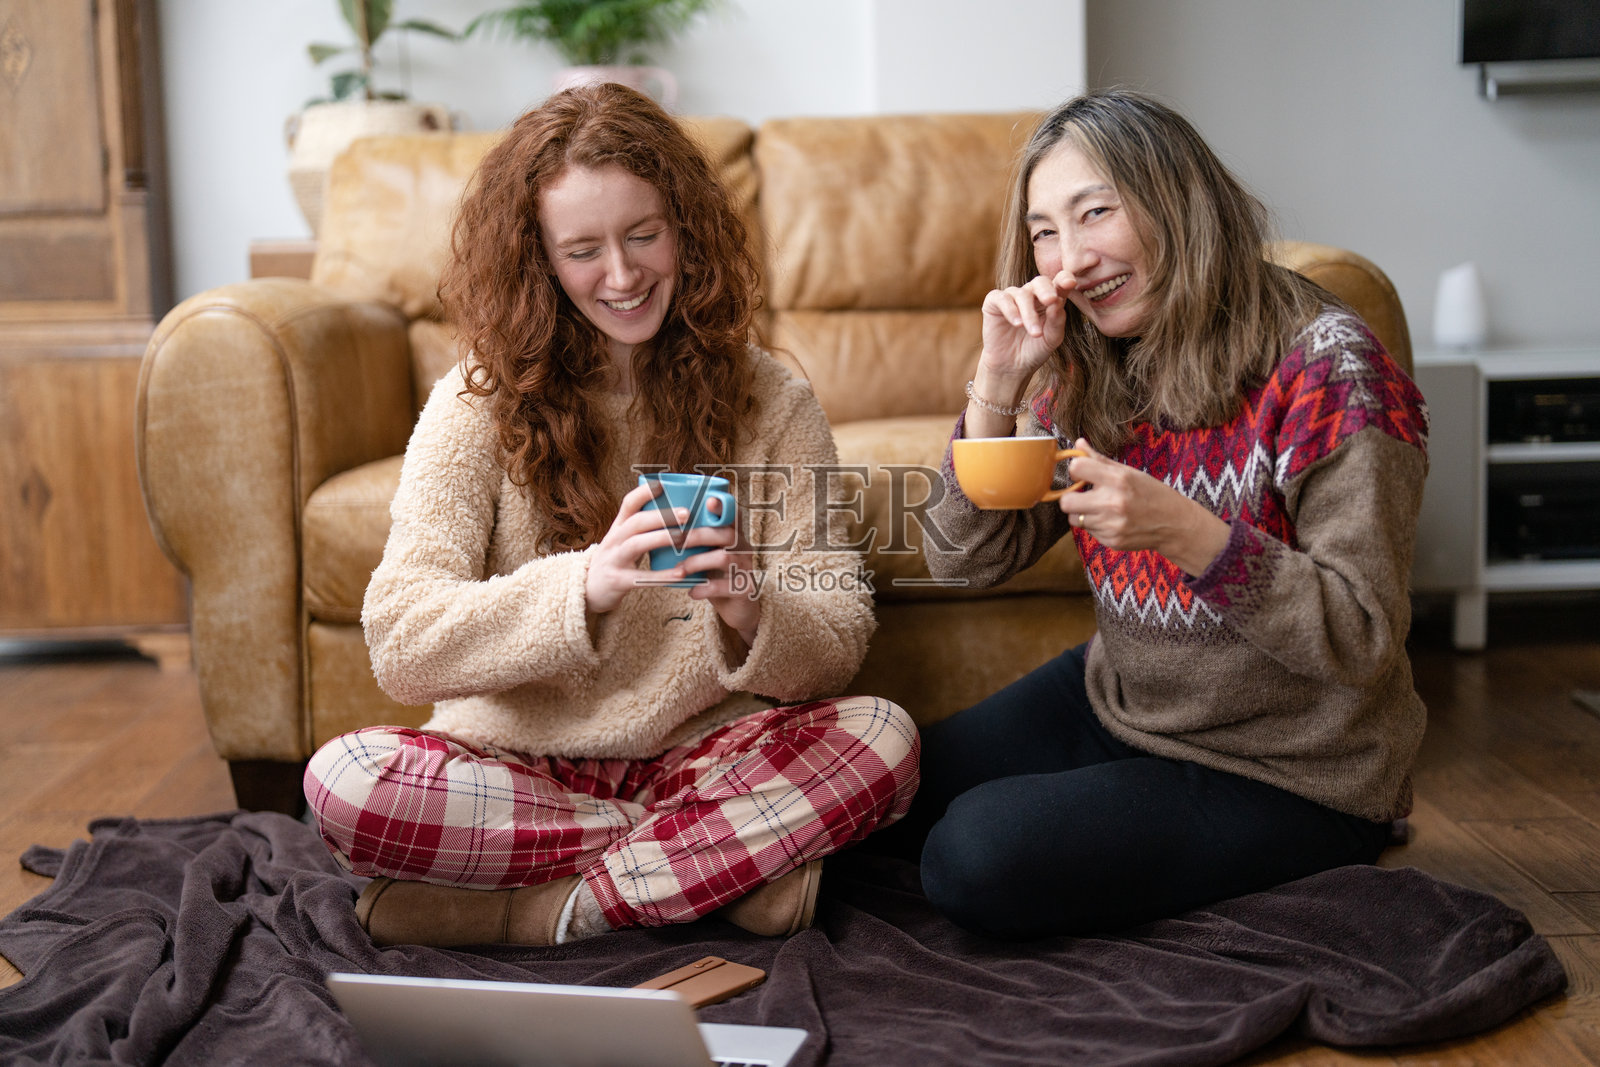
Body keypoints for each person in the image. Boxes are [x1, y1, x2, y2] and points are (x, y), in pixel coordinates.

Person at [302, 84, 918, 948]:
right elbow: (400, 641)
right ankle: (711, 874)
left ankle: (538, 911)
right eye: (583, 249)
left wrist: (747, 597)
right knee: (346, 780)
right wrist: (583, 585)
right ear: (540, 262)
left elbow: (839, 636)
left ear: (685, 229)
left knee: (883, 741)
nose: (623, 277)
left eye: (643, 235)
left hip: (706, 757)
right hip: (516, 765)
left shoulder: (771, 398)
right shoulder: (473, 403)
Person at [903, 89, 1428, 938]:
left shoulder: (1330, 369)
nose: (1068, 259)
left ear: (1175, 201)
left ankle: (1312, 851)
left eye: (1095, 213)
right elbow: (963, 558)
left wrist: (1181, 531)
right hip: (1122, 703)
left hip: (1291, 769)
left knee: (972, 858)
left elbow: (1363, 637)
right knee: (886, 789)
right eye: (1044, 231)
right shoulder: (1093, 359)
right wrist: (997, 387)